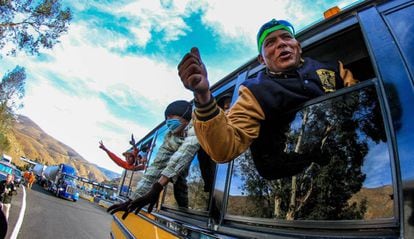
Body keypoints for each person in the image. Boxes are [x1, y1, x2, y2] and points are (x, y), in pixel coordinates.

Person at [177, 19, 358, 180]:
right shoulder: (254, 91)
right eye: (270, 42)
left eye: (286, 37)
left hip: (350, 158)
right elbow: (225, 147)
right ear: (262, 59)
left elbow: (358, 103)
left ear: (298, 46)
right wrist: (203, 96)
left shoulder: (334, 68)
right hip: (299, 176)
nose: (281, 44)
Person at [107, 100, 200, 219]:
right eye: (167, 118)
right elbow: (155, 169)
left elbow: (184, 153)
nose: (168, 121)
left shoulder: (199, 125)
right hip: (181, 178)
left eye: (171, 117)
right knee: (178, 179)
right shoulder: (170, 138)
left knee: (180, 178)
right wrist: (131, 200)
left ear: (185, 116)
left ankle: (185, 209)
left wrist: (157, 187)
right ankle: (183, 208)